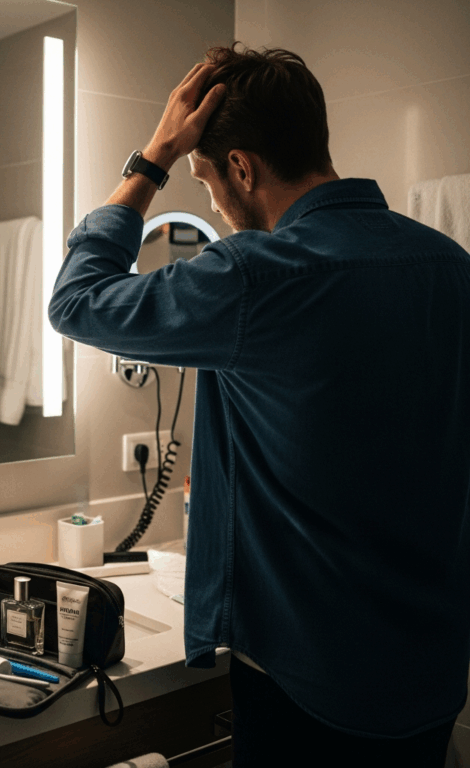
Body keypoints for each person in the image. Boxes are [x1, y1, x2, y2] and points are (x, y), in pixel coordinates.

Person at [48, 42, 470, 767]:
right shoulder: (451, 266)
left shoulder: (254, 276)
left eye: (207, 180)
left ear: (242, 166)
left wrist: (151, 159)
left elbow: (76, 300)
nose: (213, 202)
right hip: (429, 676)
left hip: (307, 679)